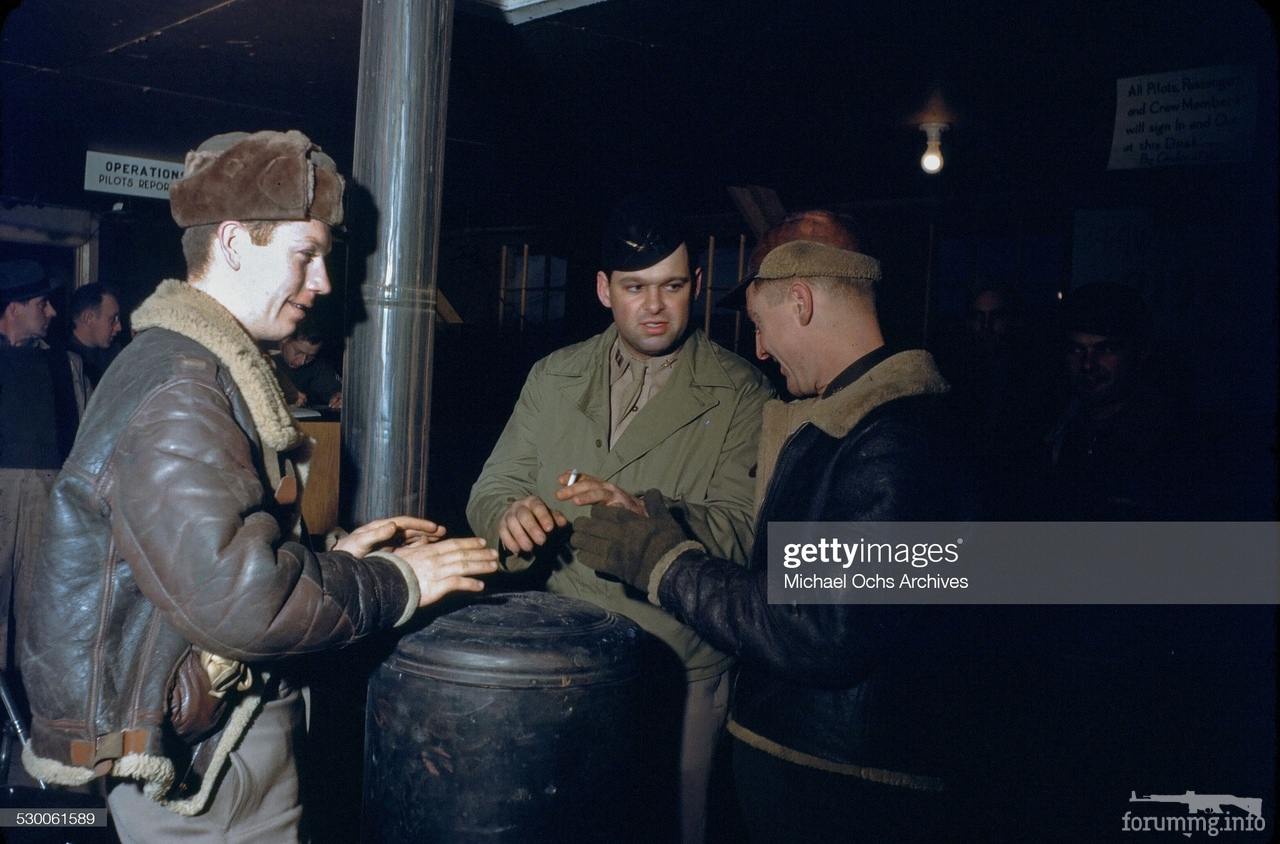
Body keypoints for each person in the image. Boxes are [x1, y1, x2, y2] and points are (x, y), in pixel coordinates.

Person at [17, 130, 498, 840]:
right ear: (236, 242)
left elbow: (209, 555)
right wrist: (396, 582)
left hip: (206, 731)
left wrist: (340, 556)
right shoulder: (184, 385)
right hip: (207, 760)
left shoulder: (178, 361)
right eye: (306, 256)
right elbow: (246, 603)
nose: (324, 282)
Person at [572, 240, 970, 842]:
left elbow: (814, 625)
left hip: (839, 786)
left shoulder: (887, 445)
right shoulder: (852, 427)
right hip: (818, 768)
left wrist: (662, 560)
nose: (759, 348)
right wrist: (665, 521)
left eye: (760, 325)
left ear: (801, 302)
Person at [467, 196, 773, 843]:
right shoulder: (553, 377)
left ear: (695, 287)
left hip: (679, 659)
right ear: (605, 290)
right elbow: (494, 484)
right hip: (566, 652)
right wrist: (509, 516)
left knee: (670, 825)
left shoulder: (742, 392)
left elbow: (746, 533)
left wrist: (649, 518)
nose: (655, 306)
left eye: (670, 287)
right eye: (635, 288)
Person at [0, 260, 91, 677]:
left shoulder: (65, 366)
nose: (53, 312)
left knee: (40, 616)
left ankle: (25, 723)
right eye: (43, 303)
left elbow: (87, 439)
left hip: (48, 500)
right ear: (13, 308)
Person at [67, 282, 123, 386]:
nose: (119, 327)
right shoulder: (64, 361)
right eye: (112, 319)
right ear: (88, 318)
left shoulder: (115, 354)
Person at [272, 327, 343, 409]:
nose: (302, 362)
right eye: (298, 352)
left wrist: (338, 397)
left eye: (310, 356)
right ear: (284, 338)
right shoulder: (261, 357)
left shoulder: (317, 365)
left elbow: (335, 391)